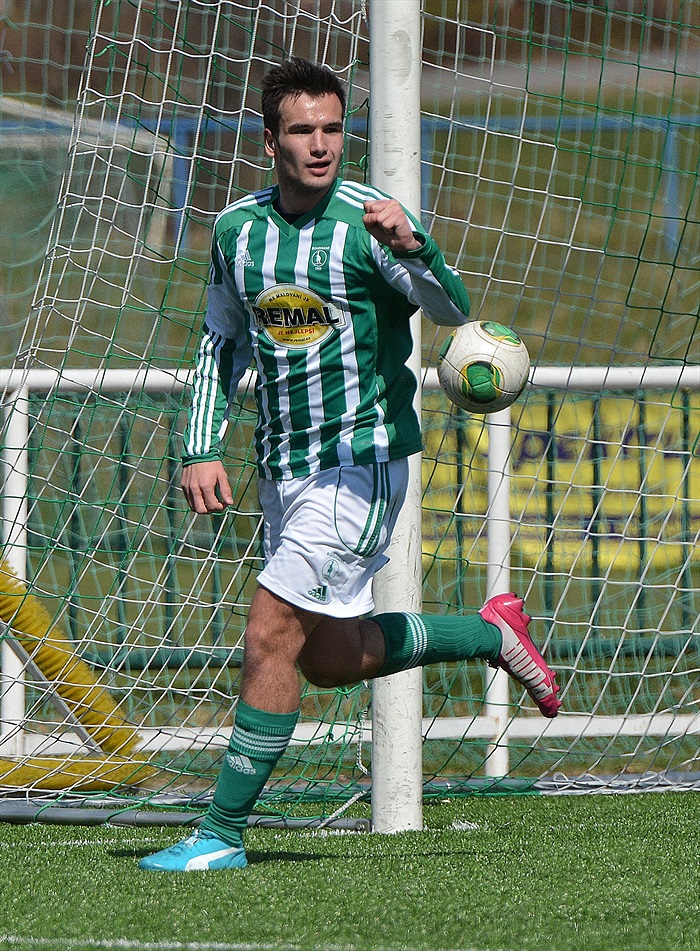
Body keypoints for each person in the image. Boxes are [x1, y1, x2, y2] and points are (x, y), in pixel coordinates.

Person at [139, 57, 560, 873]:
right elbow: (219, 339)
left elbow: (450, 310)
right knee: (325, 658)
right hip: (284, 469)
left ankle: (221, 832)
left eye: (333, 127)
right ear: (270, 141)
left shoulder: (369, 221)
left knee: (270, 633)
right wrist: (199, 445)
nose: (322, 144)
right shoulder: (237, 231)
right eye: (303, 130)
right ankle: (490, 630)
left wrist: (417, 243)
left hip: (360, 462)